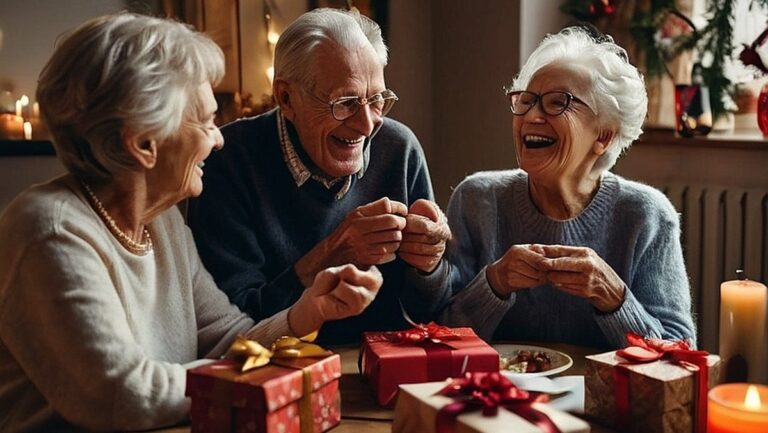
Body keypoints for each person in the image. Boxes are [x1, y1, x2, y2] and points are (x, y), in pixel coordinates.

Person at [0, 13, 383, 432]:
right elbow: (124, 395)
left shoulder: (161, 222)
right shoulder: (49, 230)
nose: (217, 139)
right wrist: (263, 383)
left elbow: (226, 339)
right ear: (143, 142)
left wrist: (306, 313)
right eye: (203, 121)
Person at [187, 8, 451, 345]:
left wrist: (430, 266)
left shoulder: (399, 149)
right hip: (277, 374)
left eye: (377, 100)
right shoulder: (228, 162)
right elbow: (234, 331)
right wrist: (332, 254)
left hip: (386, 367)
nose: (368, 125)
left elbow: (433, 314)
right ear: (286, 97)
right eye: (345, 102)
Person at [424, 26, 696, 349]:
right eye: (525, 101)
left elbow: (681, 352)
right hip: (495, 395)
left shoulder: (646, 216)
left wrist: (613, 298)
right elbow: (437, 335)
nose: (531, 117)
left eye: (557, 103)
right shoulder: (477, 201)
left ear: (603, 135)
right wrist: (495, 283)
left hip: (602, 399)